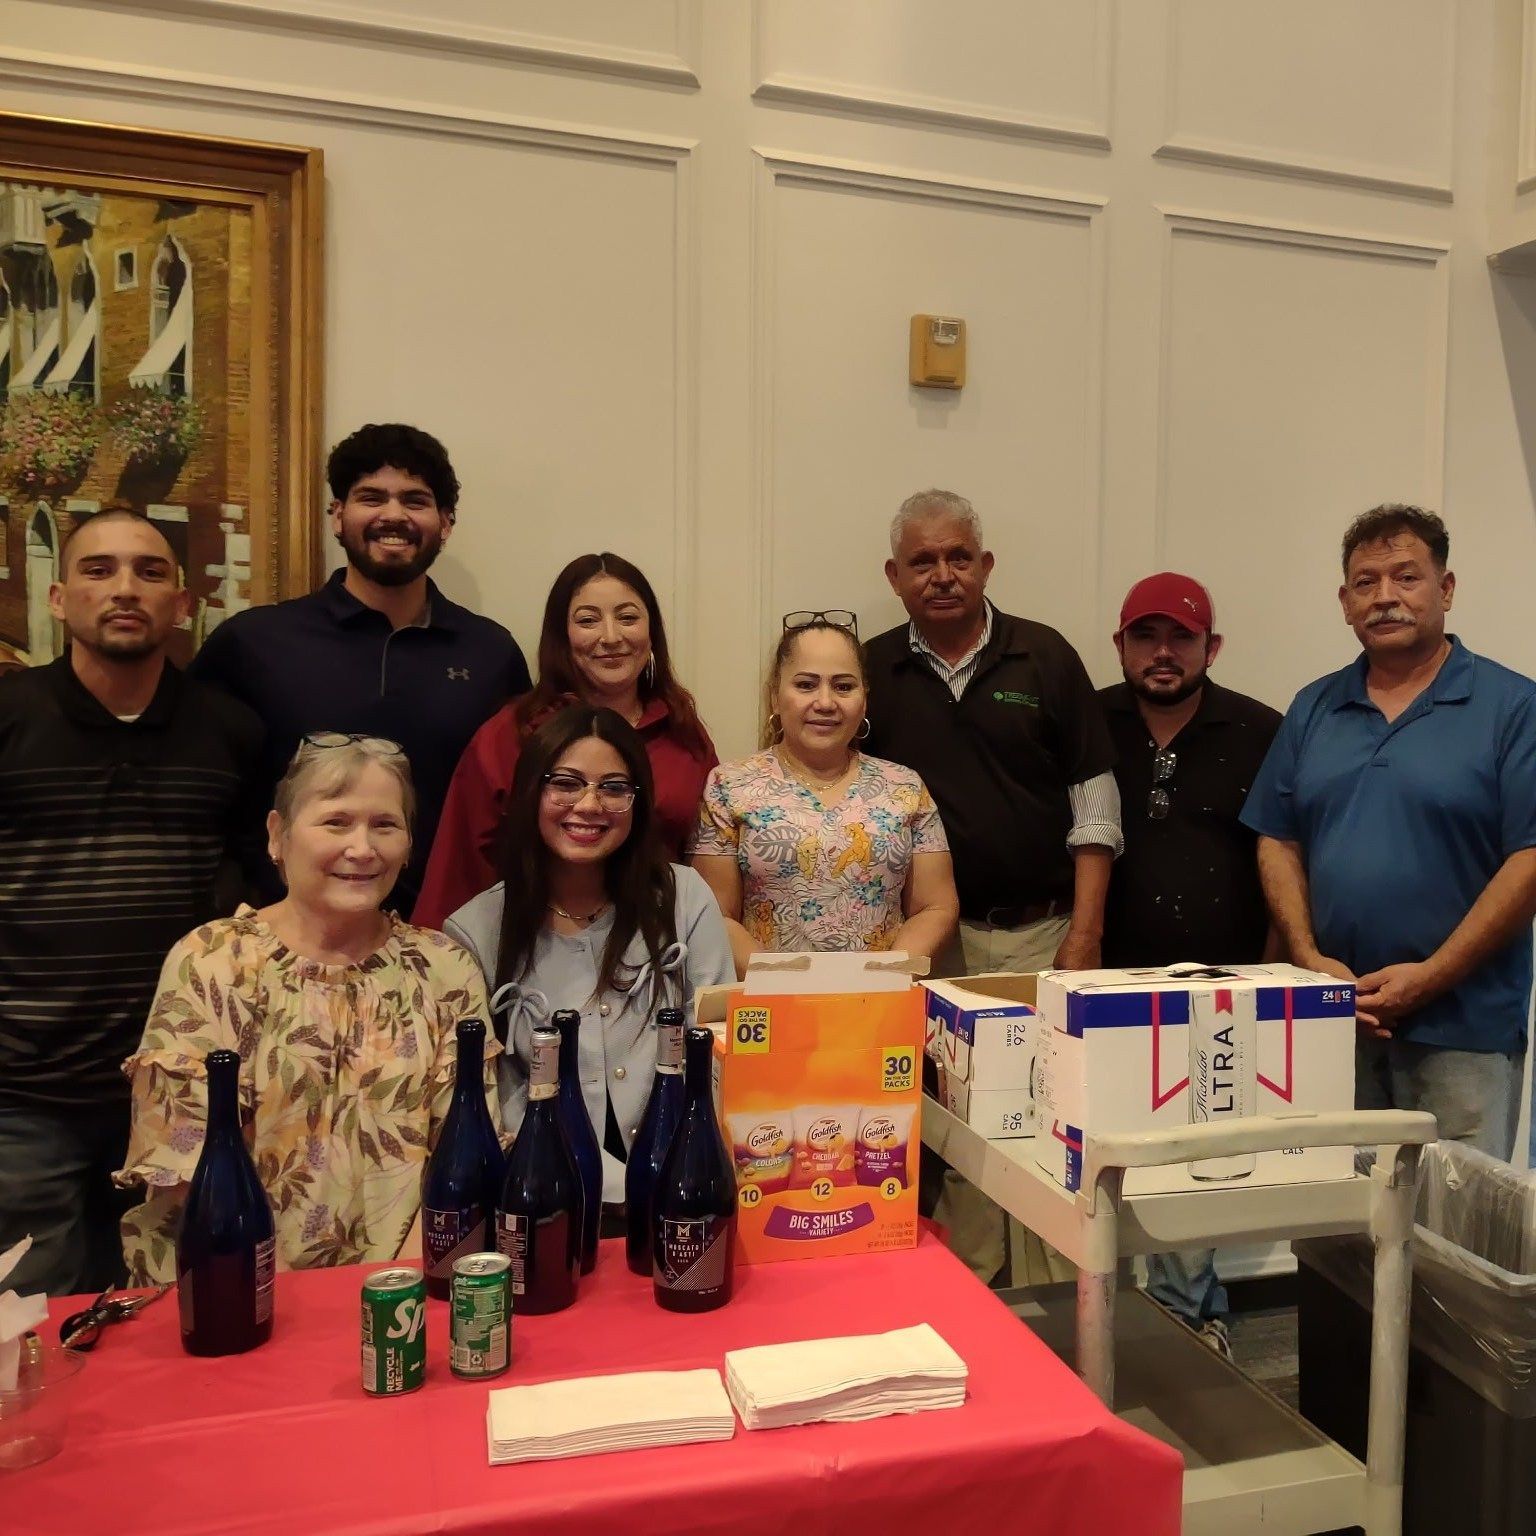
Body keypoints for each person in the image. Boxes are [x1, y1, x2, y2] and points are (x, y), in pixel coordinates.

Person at [117, 736, 500, 1282]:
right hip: (229, 1288)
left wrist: (393, 1288)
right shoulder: (212, 962)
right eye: (336, 822)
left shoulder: (444, 969)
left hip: (402, 1294)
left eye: (385, 825)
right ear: (277, 835)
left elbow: (461, 1164)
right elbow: (184, 1179)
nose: (363, 848)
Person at [0, 508, 262, 1296]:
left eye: (149, 573)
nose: (124, 589)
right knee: (28, 1329)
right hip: (22, 1095)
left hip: (173, 1088)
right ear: (57, 598)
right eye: (99, 569)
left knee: (174, 1316)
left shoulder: (230, 732)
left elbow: (253, 899)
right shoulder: (7, 720)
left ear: (182, 604)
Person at [864, 488, 1120, 1288]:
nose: (943, 575)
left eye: (958, 557)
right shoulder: (870, 669)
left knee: (1048, 1120)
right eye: (923, 562)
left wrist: (1085, 935)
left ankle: (1054, 1303)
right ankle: (972, 1298)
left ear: (986, 565)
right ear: (894, 576)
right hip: (925, 945)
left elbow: (1096, 804)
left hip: (1038, 935)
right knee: (954, 1125)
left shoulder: (1043, 656)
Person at [1244, 504, 1536, 1159]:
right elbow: (1278, 838)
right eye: (1366, 583)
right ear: (1345, 602)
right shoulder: (1314, 706)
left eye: (1406, 577)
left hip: (1464, 1030)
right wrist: (1310, 962)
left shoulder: (1514, 708)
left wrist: (1430, 976)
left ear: (1446, 589)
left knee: (1448, 1242)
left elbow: (1530, 860)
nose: (1385, 598)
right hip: (1332, 1022)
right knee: (1331, 1228)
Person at [190, 422, 530, 915]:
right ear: (337, 515)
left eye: (415, 500)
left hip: (451, 941)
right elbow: (202, 799)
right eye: (372, 497)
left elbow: (518, 807)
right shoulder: (252, 643)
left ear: (446, 523)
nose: (393, 514)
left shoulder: (491, 652)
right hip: (288, 944)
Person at [444, 705, 735, 1207]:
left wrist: (688, 1160)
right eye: (566, 783)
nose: (589, 804)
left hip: (680, 1185)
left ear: (637, 802)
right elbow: (496, 1095)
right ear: (532, 792)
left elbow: (716, 1042)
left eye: (614, 787)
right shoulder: (476, 931)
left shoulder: (684, 897)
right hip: (545, 1196)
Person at [1100, 572, 1282, 1355]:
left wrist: (1274, 974)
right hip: (1104, 985)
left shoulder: (1262, 731)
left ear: (1213, 647)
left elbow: (1284, 856)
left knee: (1200, 1161)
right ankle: (1105, 1320)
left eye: (1182, 637)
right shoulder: (1087, 723)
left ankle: (1186, 1325)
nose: (1164, 653)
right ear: (1121, 646)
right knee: (1102, 1162)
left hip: (1223, 989)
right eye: (1147, 637)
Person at [415, 553, 715, 929]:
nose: (611, 637)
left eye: (628, 617)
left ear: (651, 631)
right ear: (562, 635)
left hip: (658, 944)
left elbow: (709, 858)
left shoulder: (683, 729)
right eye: (588, 620)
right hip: (534, 947)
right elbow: (459, 867)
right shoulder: (512, 734)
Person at [690, 614, 959, 973]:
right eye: (806, 685)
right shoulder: (729, 786)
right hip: (770, 1001)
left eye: (844, 686)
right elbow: (716, 914)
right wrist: (786, 980)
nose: (825, 702)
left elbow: (936, 907)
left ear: (864, 700)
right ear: (775, 696)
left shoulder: (905, 787)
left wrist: (883, 976)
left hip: (882, 1001)